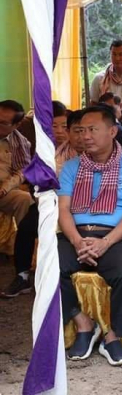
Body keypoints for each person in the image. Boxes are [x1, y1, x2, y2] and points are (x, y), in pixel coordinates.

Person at [57, 106, 122, 366]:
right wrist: (77, 241)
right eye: (81, 130)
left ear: (112, 132)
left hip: (114, 236)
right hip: (76, 234)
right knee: (49, 268)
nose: (85, 136)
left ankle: (113, 336)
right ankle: (84, 324)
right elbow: (63, 209)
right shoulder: (71, 167)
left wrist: (105, 243)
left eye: (92, 130)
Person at [1, 101, 69, 298]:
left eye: (64, 126)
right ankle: (22, 276)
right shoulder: (43, 149)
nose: (59, 131)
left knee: (25, 202)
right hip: (50, 202)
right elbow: (35, 181)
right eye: (53, 126)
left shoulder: (78, 149)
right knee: (27, 225)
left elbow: (24, 173)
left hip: (73, 205)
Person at [0, 100, 33, 258]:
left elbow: (22, 171)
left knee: (25, 199)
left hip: (3, 189)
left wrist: (5, 187)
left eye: (3, 123)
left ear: (16, 125)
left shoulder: (20, 142)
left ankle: (24, 255)